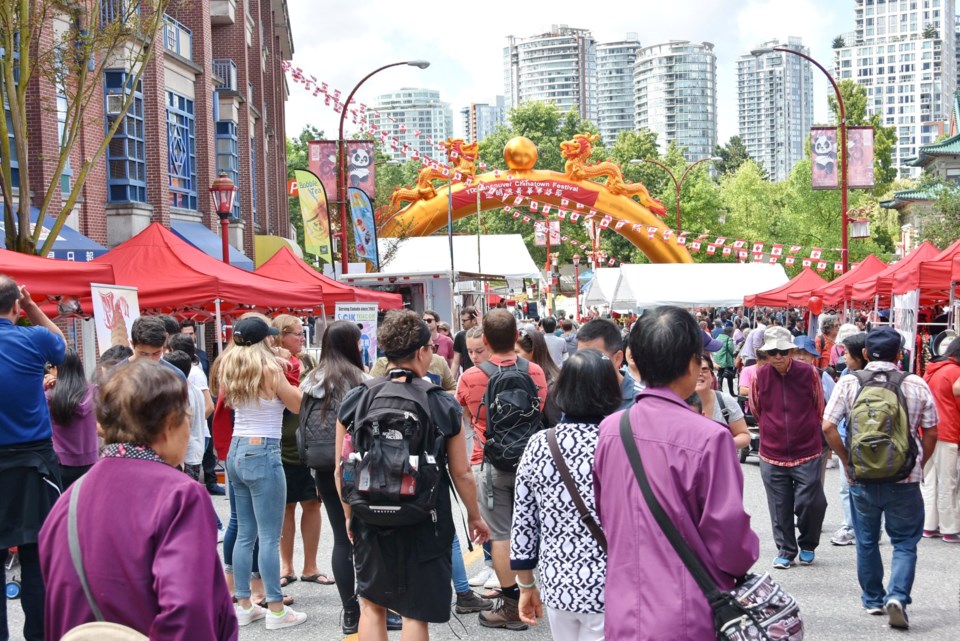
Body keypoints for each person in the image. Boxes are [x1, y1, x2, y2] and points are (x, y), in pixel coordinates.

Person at [39, 360, 237, 640]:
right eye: (187, 416)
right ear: (170, 423)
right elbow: (189, 609)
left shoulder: (68, 500)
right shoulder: (180, 494)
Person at [593, 305, 759, 640]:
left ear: (635, 362)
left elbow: (606, 514)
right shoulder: (710, 438)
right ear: (691, 364)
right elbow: (730, 542)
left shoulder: (611, 429)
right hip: (689, 610)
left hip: (623, 605)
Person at [335, 310, 490, 640]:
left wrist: (351, 514)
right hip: (425, 517)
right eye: (431, 347)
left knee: (372, 605)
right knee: (414, 611)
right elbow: (462, 473)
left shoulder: (357, 398)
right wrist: (475, 516)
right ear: (421, 352)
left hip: (369, 515)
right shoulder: (439, 403)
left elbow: (342, 467)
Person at [822, 327, 939, 629]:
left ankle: (873, 599)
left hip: (863, 476)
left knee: (866, 540)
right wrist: (920, 463)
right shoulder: (915, 384)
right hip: (905, 478)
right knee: (903, 542)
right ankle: (897, 595)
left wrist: (847, 462)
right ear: (900, 354)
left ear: (864, 354)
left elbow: (828, 427)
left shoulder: (849, 382)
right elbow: (932, 430)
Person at [510, 350, 620, 640]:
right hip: (613, 585)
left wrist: (525, 584)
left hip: (558, 585)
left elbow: (524, 521)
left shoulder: (539, 444)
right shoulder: (621, 442)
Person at [457, 309, 548, 629]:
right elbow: (539, 410)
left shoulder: (470, 377)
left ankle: (511, 605)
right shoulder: (535, 372)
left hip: (490, 464)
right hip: (532, 463)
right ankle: (535, 589)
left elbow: (466, 417)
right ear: (515, 338)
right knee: (533, 528)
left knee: (500, 534)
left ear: (484, 341)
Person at [220, 317, 307, 629]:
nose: (274, 341)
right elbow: (296, 404)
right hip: (263, 449)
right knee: (269, 536)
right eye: (270, 337)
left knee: (245, 532)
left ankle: (244, 605)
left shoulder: (230, 366)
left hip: (237, 448)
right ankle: (276, 609)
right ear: (262, 341)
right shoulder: (271, 369)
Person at [0, 277, 66, 641]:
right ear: (15, 308)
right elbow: (61, 343)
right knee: (37, 559)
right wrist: (33, 306)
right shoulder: (32, 338)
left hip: (25, 460)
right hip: (33, 464)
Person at [300, 321, 370, 634]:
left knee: (341, 539)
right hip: (359, 467)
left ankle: (350, 612)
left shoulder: (311, 379)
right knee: (367, 538)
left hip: (324, 467)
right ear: (351, 344)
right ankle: (375, 607)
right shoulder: (362, 380)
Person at [751, 326, 827, 569]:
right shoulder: (759, 376)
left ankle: (808, 543)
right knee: (778, 504)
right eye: (772, 352)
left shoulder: (809, 373)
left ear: (792, 351)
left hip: (807, 449)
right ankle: (786, 549)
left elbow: (819, 407)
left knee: (810, 503)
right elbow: (756, 408)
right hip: (772, 451)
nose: (778, 357)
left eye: (783, 351)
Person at [272, 315, 328, 589]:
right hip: (280, 443)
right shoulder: (270, 364)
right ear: (281, 336)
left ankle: (310, 565)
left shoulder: (308, 361)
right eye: (296, 333)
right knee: (285, 506)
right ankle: (287, 566)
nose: (301, 338)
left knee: (312, 503)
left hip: (308, 442)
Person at [829, 332, 868, 547]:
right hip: (875, 443)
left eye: (846, 352)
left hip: (851, 441)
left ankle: (851, 527)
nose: (843, 356)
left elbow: (829, 422)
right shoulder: (894, 377)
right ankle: (870, 528)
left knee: (848, 486)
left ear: (861, 354)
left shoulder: (848, 379)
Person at [921, 337, 960, 543]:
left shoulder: (932, 369)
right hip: (948, 432)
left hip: (928, 431)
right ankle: (950, 528)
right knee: (948, 481)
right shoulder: (955, 373)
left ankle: (929, 525)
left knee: (929, 481)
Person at [46, 349, 97, 489]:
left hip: (60, 463)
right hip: (90, 462)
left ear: (57, 369)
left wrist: (43, 386)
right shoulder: (95, 392)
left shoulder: (49, 397)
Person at [577, 319, 636, 410]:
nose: (585, 363)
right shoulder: (576, 395)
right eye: (580, 356)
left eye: (594, 357)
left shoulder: (639, 403)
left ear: (617, 358)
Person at [695, 355, 751, 451]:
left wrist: (723, 444)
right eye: (694, 369)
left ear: (712, 377)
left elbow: (744, 436)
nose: (699, 373)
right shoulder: (677, 403)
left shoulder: (725, 401)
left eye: (704, 369)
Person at [451, 306, 479, 377]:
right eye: (461, 320)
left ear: (474, 320)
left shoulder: (484, 335)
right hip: (468, 375)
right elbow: (456, 362)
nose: (462, 323)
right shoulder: (460, 336)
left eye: (464, 320)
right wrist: (451, 381)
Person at [712, 322, 737, 396]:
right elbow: (731, 349)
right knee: (729, 377)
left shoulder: (718, 337)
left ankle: (720, 391)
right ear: (730, 332)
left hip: (718, 360)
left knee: (720, 376)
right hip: (726, 361)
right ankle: (731, 392)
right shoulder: (728, 339)